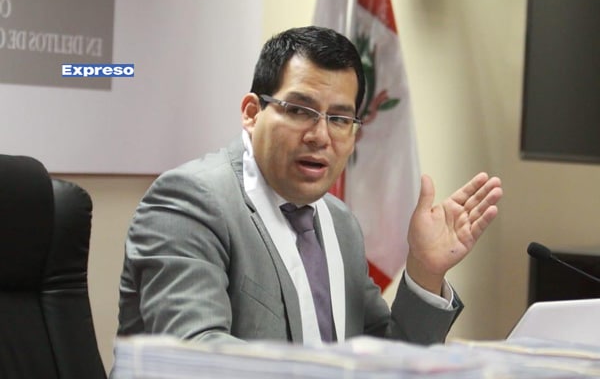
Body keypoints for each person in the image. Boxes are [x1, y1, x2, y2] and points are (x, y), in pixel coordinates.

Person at [116, 26, 502, 347]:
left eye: (339, 119)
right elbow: (195, 358)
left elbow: (387, 359)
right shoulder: (190, 202)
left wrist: (424, 271)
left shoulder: (340, 222)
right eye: (300, 111)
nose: (320, 136)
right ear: (252, 112)